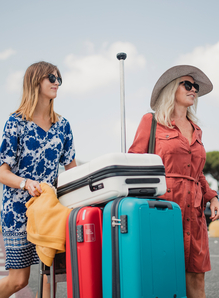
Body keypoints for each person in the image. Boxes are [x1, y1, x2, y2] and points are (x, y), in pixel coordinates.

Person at [128, 65, 219, 298]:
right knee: (163, 273)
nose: (193, 90)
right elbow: (135, 161)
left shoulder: (197, 129)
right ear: (171, 89)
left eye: (195, 87)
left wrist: (212, 196)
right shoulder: (151, 121)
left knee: (197, 275)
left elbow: (197, 173)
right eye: (187, 85)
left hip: (195, 213)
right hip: (162, 208)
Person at [0, 61, 76, 298]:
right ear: (36, 82)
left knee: (48, 277)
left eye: (59, 79)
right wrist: (25, 183)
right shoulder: (15, 122)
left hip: (49, 210)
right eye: (51, 78)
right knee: (18, 281)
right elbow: (2, 172)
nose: (57, 83)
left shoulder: (63, 126)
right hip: (17, 209)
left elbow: (72, 169)